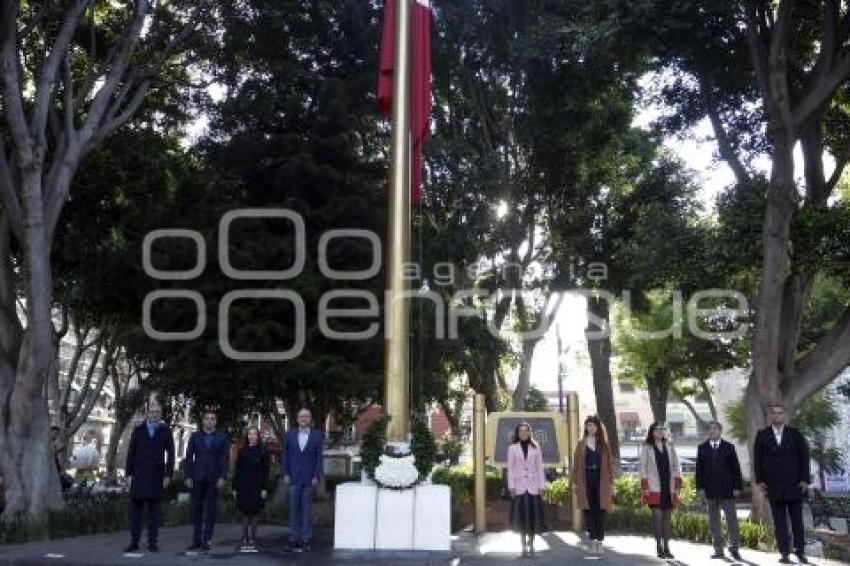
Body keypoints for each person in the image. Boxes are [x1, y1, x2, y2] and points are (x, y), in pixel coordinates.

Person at [754, 404, 811, 564]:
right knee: (779, 523)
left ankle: (800, 551)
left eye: (780, 413)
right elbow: (757, 461)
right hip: (773, 486)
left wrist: (805, 480)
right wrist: (760, 481)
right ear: (770, 416)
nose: (777, 416)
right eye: (774, 413)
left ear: (785, 416)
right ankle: (784, 553)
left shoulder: (795, 434)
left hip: (794, 485)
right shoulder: (762, 435)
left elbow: (804, 457)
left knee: (797, 521)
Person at [124, 402, 174, 553]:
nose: (154, 414)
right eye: (152, 412)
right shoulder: (138, 430)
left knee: (154, 513)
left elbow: (171, 454)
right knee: (136, 513)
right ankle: (134, 542)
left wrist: (168, 475)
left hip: (156, 477)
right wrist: (128, 474)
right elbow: (131, 453)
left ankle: (152, 543)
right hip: (139, 475)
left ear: (160, 414)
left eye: (157, 412)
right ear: (147, 413)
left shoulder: (165, 431)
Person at [696, 421, 743, 561]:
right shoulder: (702, 448)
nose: (712, 431)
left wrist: (737, 487)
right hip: (710, 491)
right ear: (707, 432)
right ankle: (718, 550)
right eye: (709, 429)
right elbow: (699, 470)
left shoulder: (729, 447)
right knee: (714, 521)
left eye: (715, 429)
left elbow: (736, 468)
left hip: (727, 490)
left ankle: (734, 548)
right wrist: (700, 487)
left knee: (731, 520)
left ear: (720, 431)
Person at [185, 410, 230, 552]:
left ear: (215, 422)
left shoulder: (222, 438)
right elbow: (189, 458)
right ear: (203, 421)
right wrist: (188, 476)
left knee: (210, 510)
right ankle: (196, 540)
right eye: (207, 418)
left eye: (212, 419)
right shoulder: (195, 437)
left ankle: (207, 540)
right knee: (196, 510)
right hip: (197, 478)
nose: (209, 421)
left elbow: (224, 459)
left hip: (213, 479)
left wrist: (223, 476)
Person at [281, 408, 323, 553]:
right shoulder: (289, 434)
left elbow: (319, 458)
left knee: (306, 511)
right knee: (294, 511)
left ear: (310, 419)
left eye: (307, 416)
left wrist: (316, 476)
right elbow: (285, 455)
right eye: (301, 416)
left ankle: (305, 541)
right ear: (297, 419)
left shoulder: (317, 435)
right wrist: (285, 473)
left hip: (309, 479)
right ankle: (293, 540)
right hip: (292, 478)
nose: (304, 418)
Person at [571, 415, 614, 554]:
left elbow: (610, 466)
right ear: (585, 427)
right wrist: (574, 482)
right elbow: (575, 465)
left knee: (601, 512)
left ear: (598, 427)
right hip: (586, 480)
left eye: (593, 425)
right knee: (588, 512)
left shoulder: (604, 444)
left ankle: (600, 542)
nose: (591, 428)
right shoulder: (581, 444)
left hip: (602, 481)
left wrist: (612, 484)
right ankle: (592, 541)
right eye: (588, 425)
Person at [639, 422, 682, 560]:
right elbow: (642, 468)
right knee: (657, 518)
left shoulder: (670, 445)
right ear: (652, 432)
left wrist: (677, 483)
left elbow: (677, 465)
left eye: (662, 429)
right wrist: (645, 487)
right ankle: (659, 547)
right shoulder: (647, 447)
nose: (660, 431)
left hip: (668, 488)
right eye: (657, 429)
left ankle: (667, 548)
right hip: (654, 488)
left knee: (667, 520)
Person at [507, 422, 547, 558]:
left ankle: (531, 545)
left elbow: (540, 467)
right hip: (519, 488)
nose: (524, 433)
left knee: (532, 519)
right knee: (522, 519)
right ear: (518, 433)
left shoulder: (536, 447)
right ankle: (523, 547)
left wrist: (542, 486)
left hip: (533, 488)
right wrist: (511, 486)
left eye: (526, 431)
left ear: (529, 432)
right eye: (521, 431)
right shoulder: (512, 448)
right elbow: (510, 469)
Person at [232, 426, 270, 549]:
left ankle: (253, 538)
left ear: (258, 436)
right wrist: (234, 487)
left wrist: (264, 488)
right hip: (243, 486)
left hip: (257, 486)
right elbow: (237, 470)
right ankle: (244, 537)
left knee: (254, 513)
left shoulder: (263, 451)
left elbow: (266, 471)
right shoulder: (242, 450)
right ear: (247, 436)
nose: (252, 436)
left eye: (254, 434)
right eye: (250, 434)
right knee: (244, 513)